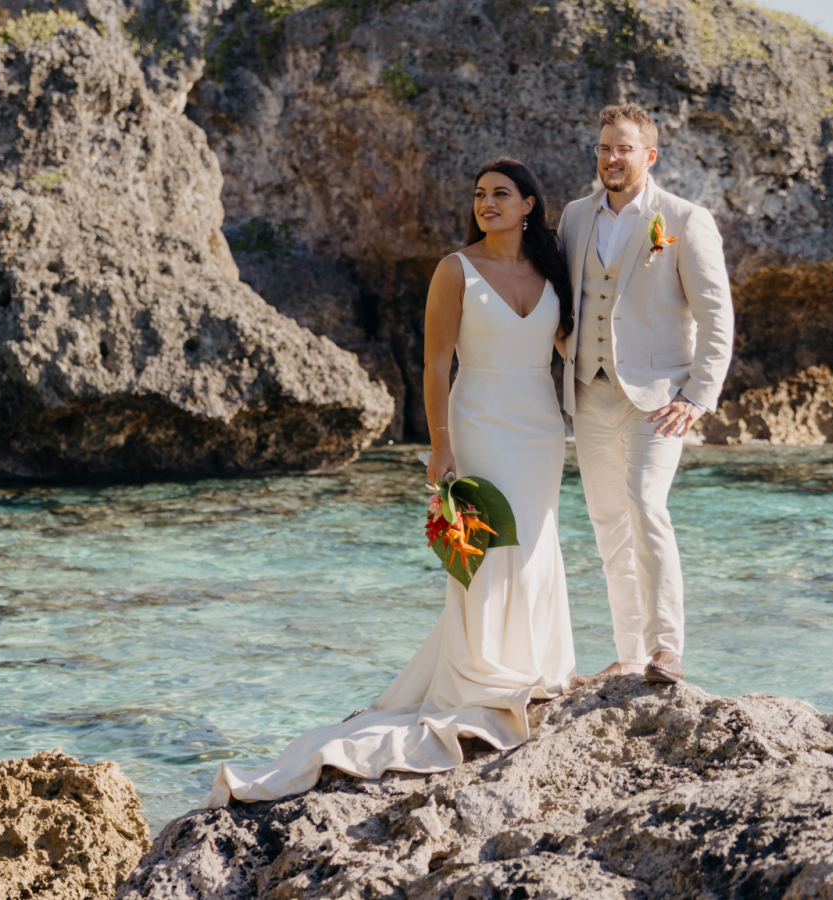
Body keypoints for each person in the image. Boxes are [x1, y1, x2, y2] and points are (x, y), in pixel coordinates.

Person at [206, 159, 577, 806]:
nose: (486, 203)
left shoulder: (551, 273)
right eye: (478, 195)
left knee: (538, 541)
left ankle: (536, 664)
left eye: (500, 194)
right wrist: (440, 445)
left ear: (529, 205)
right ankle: (484, 675)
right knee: (484, 548)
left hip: (542, 427)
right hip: (480, 420)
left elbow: (576, 348)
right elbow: (436, 363)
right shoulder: (454, 269)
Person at [558, 104, 734, 686]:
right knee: (608, 522)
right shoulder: (574, 218)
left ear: (648, 156)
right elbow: (564, 301)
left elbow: (716, 318)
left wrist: (697, 396)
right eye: (604, 147)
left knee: (644, 504)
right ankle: (629, 652)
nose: (612, 157)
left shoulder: (684, 218)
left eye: (624, 148)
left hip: (658, 397)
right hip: (588, 391)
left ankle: (667, 649)